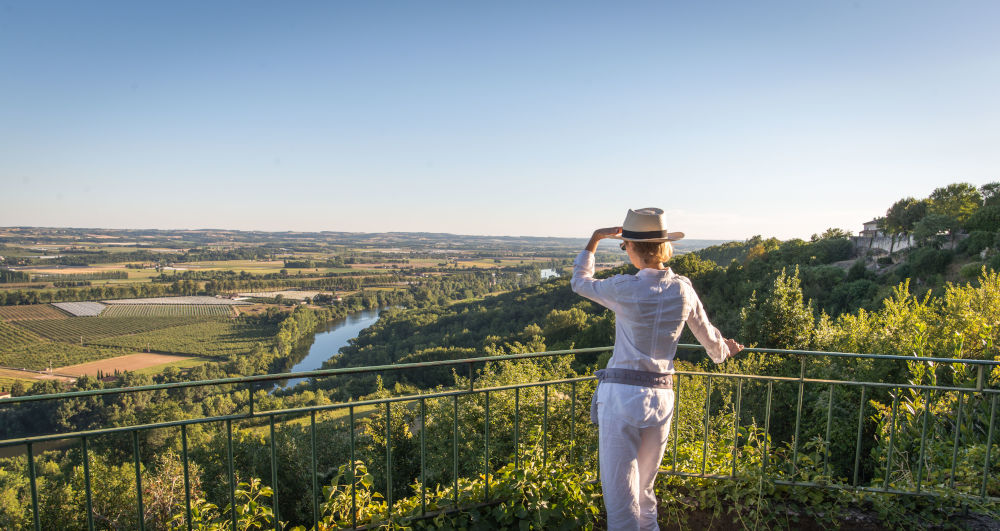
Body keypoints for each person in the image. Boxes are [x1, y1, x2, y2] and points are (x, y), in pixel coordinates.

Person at [570, 207, 743, 531]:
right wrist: (724, 352)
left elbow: (579, 283)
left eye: (625, 246)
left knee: (621, 501)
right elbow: (708, 337)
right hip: (661, 398)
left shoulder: (624, 287)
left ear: (633, 248)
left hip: (621, 398)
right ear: (663, 247)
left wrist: (594, 239)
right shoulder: (682, 288)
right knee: (645, 491)